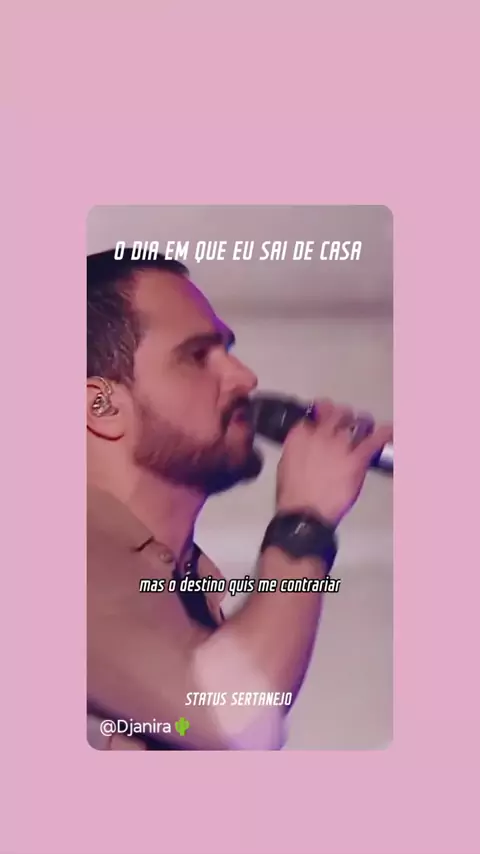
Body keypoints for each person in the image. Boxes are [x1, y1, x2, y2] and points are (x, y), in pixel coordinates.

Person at [87, 249, 392, 750]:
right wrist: (305, 519)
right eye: (196, 356)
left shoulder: (183, 585)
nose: (244, 377)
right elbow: (236, 716)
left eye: (227, 349)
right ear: (100, 406)